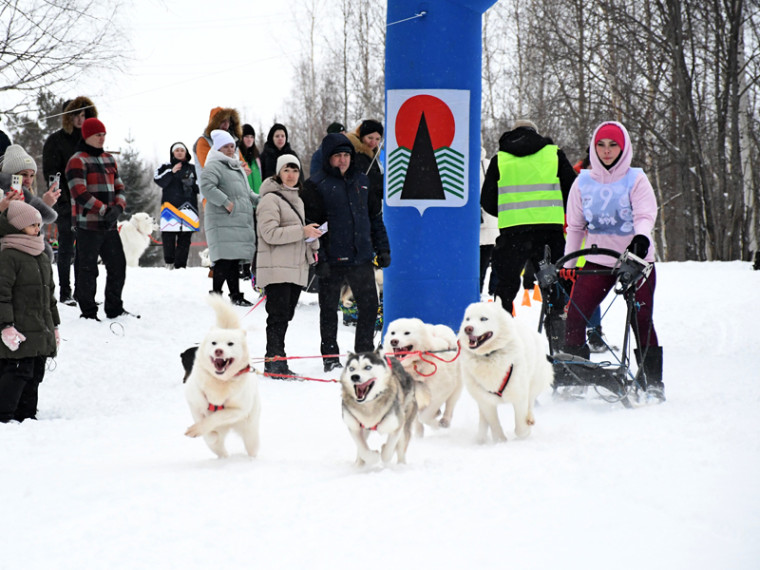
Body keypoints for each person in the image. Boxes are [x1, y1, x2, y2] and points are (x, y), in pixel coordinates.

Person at [563, 121, 664, 400]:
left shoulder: (636, 179)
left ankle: (652, 379)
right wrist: (568, 265)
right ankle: (575, 375)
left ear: (623, 147)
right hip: (597, 259)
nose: (607, 151)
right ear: (594, 148)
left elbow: (645, 216)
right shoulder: (582, 181)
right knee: (575, 315)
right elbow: (575, 227)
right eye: (601, 145)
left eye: (613, 145)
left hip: (636, 259)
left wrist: (641, 238)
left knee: (641, 318)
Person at [480, 119, 576, 348]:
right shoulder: (553, 154)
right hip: (549, 233)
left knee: (505, 289)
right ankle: (560, 347)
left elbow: (487, 201)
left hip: (513, 233)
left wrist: (508, 210)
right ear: (536, 132)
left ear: (512, 133)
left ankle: (503, 344)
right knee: (556, 289)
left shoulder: (500, 159)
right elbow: (572, 189)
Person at [303, 133, 391, 372]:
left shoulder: (363, 181)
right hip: (330, 260)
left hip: (360, 257)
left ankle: (363, 355)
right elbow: (311, 226)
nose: (342, 160)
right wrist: (318, 259)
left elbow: (375, 217)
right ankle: (330, 358)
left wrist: (382, 247)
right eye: (337, 156)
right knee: (329, 310)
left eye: (346, 156)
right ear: (328, 158)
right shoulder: (315, 185)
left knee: (369, 307)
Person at [256, 154, 322, 377]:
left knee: (284, 316)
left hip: (294, 267)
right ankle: (274, 363)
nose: (291, 175)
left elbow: (296, 234)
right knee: (277, 316)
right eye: (286, 170)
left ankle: (277, 361)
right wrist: (302, 231)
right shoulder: (270, 200)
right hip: (276, 268)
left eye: (295, 170)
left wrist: (312, 239)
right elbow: (269, 233)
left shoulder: (298, 199)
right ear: (278, 172)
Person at [0, 201, 60, 422]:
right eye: (31, 225)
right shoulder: (8, 256)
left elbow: (49, 296)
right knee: (17, 372)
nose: (37, 228)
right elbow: (2, 294)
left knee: (35, 373)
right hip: (18, 329)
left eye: (38, 224)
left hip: (39, 328)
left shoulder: (42, 256)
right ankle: (5, 415)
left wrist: (54, 326)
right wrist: (6, 326)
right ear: (17, 227)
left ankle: (27, 415)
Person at [65, 117, 129, 321]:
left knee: (118, 266)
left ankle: (114, 308)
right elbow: (79, 193)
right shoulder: (77, 160)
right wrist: (103, 209)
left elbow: (120, 187)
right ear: (87, 136)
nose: (102, 138)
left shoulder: (109, 159)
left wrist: (118, 208)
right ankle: (88, 311)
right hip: (88, 225)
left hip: (110, 225)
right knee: (87, 269)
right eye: (98, 135)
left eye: (103, 135)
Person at [42, 96, 98, 306]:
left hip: (89, 204)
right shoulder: (55, 141)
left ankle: (84, 292)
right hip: (65, 202)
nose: (80, 119)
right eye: (76, 115)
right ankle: (65, 292)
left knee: (86, 250)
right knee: (66, 248)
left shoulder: (89, 142)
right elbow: (51, 174)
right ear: (67, 117)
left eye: (84, 115)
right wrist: (62, 203)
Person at [200, 129, 259, 306]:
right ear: (218, 148)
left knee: (232, 259)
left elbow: (247, 192)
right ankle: (217, 294)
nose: (230, 149)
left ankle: (235, 295)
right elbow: (206, 186)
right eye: (225, 146)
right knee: (224, 259)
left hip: (234, 220)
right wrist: (226, 202)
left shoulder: (235, 166)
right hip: (221, 219)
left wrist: (261, 200)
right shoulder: (214, 165)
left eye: (232, 146)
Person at [0, 144, 60, 261]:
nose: (28, 180)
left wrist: (45, 205)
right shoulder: (2, 194)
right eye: (23, 174)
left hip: (27, 259)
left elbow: (32, 232)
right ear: (11, 176)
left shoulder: (29, 197)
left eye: (32, 175)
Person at [153, 142, 200, 269]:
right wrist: (171, 172)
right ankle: (169, 263)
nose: (179, 152)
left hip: (189, 209)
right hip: (170, 209)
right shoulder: (164, 167)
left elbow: (202, 186)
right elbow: (159, 180)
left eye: (182, 150)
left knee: (185, 239)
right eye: (177, 150)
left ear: (186, 153)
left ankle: (181, 266)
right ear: (172, 153)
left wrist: (192, 184)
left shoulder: (194, 168)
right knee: (168, 236)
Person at [192, 107, 244, 181]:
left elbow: (242, 163)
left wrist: (243, 169)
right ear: (214, 123)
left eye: (228, 121)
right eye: (222, 121)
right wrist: (238, 170)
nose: (226, 124)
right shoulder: (203, 141)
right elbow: (209, 168)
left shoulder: (233, 141)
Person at [346, 119, 384, 205]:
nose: (373, 142)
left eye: (377, 139)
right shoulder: (357, 155)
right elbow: (371, 180)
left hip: (371, 206)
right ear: (362, 136)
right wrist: (389, 179)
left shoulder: (371, 154)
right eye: (370, 138)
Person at [240, 124, 262, 194]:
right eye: (246, 136)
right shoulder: (237, 156)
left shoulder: (257, 157)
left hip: (258, 198)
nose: (249, 139)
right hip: (244, 198)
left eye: (252, 137)